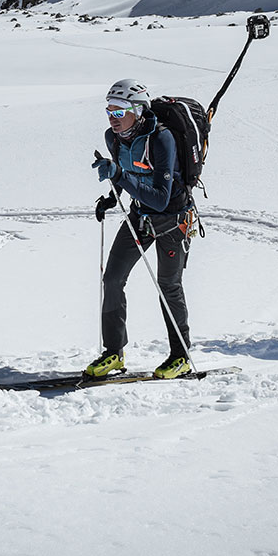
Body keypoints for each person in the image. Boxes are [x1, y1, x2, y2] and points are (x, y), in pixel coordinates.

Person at [88, 79, 194, 379]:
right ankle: (114, 352)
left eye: (119, 110)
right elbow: (129, 174)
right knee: (112, 279)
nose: (112, 116)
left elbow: (160, 199)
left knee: (168, 286)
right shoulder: (113, 138)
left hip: (173, 219)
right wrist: (112, 197)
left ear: (138, 110)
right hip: (139, 216)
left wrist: (119, 175)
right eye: (109, 109)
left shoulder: (161, 140)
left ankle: (181, 356)